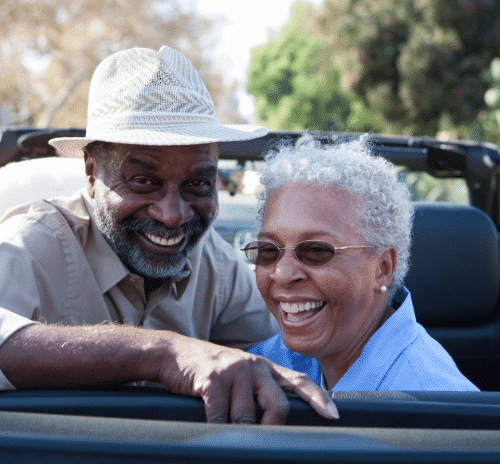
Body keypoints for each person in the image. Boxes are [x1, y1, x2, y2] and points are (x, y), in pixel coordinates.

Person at [0, 46, 339, 424]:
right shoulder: (30, 246)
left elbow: (284, 354)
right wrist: (164, 354)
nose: (173, 215)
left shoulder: (214, 265)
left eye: (197, 183)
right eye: (144, 181)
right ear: (92, 173)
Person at [247, 136, 479, 391]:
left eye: (316, 250)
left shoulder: (433, 405)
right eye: (268, 250)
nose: (282, 273)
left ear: (383, 269)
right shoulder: (271, 362)